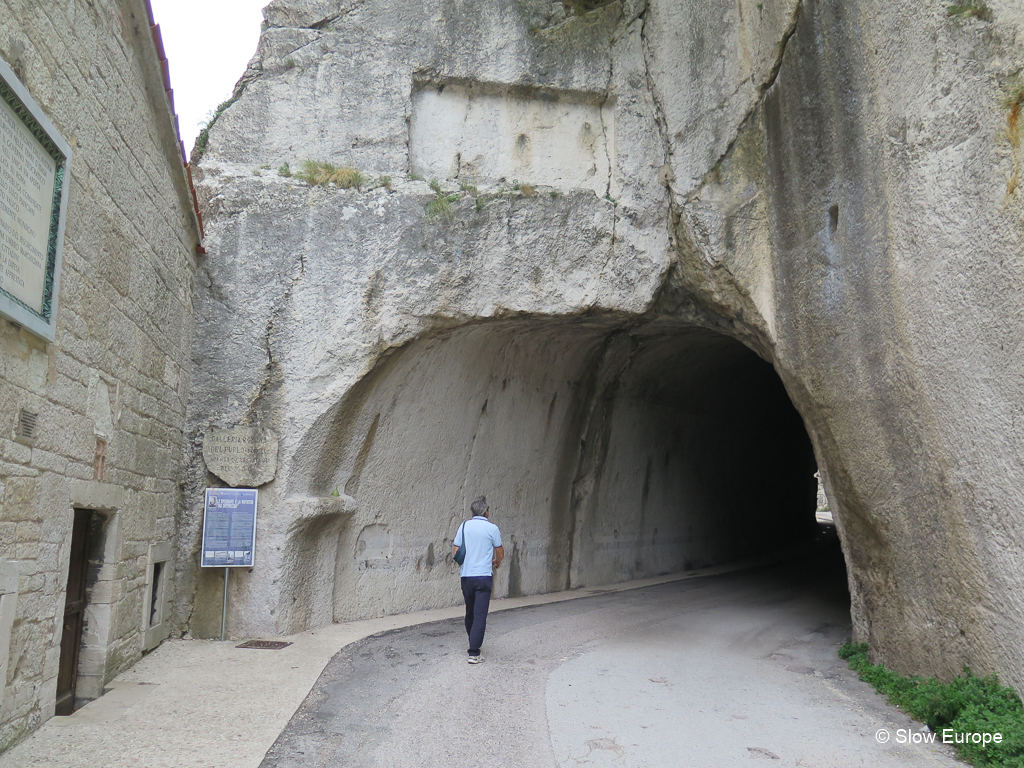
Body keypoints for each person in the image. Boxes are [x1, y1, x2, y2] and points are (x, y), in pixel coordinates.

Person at [453, 496, 503, 664]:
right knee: (480, 615)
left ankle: (472, 639)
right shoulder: (492, 528)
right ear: (486, 511)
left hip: (466, 576)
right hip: (483, 576)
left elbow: (456, 550)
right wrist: (497, 561)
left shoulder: (464, 526)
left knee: (470, 611)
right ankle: (474, 652)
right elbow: (500, 551)